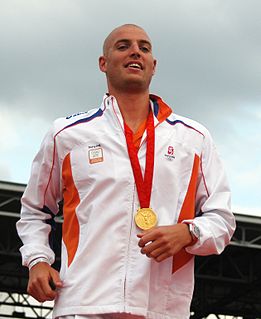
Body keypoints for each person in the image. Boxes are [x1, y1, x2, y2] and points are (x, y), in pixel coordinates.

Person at [16, 24, 236, 319]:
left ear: (153, 66)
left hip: (162, 308)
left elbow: (221, 219)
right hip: (83, 304)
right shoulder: (67, 135)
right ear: (103, 63)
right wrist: (38, 260)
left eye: (144, 48)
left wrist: (188, 232)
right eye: (123, 46)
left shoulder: (193, 139)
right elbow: (35, 209)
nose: (135, 51)